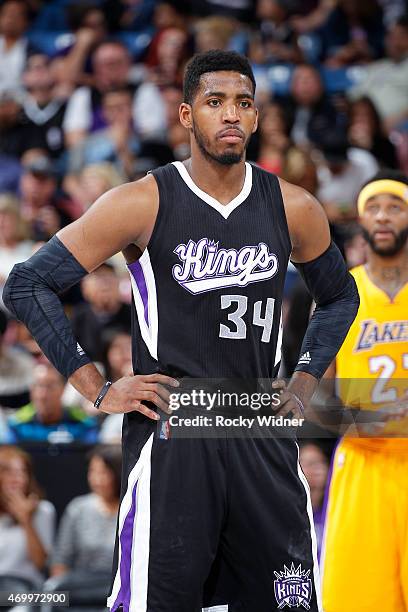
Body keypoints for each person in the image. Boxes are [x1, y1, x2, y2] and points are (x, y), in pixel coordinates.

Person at [4, 50, 360, 611]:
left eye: (244, 103)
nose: (231, 115)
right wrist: (96, 386)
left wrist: (307, 378)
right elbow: (26, 284)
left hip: (259, 428)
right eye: (215, 102)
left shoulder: (294, 207)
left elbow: (341, 296)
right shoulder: (141, 201)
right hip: (175, 431)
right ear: (187, 114)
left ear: (258, 117)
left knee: (286, 601)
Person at [320, 170, 408, 612]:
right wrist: (360, 420)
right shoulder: (340, 294)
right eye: (373, 207)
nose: (383, 217)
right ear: (360, 220)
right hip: (363, 462)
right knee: (357, 600)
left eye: (395, 206)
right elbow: (313, 396)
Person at [45, 445, 121, 605]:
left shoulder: (132, 509)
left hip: (118, 588)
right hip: (81, 587)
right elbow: (60, 560)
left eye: (104, 473)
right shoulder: (78, 508)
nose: (97, 479)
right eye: (93, 471)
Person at [0, 445, 56, 592]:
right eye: (8, 472)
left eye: (22, 472)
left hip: (29, 590)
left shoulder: (43, 510)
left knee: (60, 598)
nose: (17, 479)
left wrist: (26, 520)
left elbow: (41, 563)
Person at [8, 362, 99, 444]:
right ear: (31, 389)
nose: (42, 395)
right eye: (38, 386)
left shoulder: (84, 424)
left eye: (50, 386)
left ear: (63, 389)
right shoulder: (16, 424)